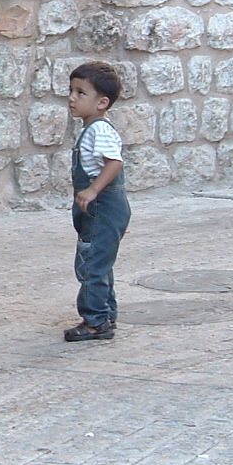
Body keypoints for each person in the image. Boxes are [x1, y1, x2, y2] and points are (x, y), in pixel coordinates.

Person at [64, 61, 132, 342]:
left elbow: (114, 162)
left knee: (91, 264)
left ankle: (95, 321)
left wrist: (93, 190)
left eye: (81, 93)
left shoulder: (99, 130)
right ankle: (105, 314)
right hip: (98, 209)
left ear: (102, 102)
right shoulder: (90, 129)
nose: (72, 98)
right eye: (71, 91)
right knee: (99, 260)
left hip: (103, 206)